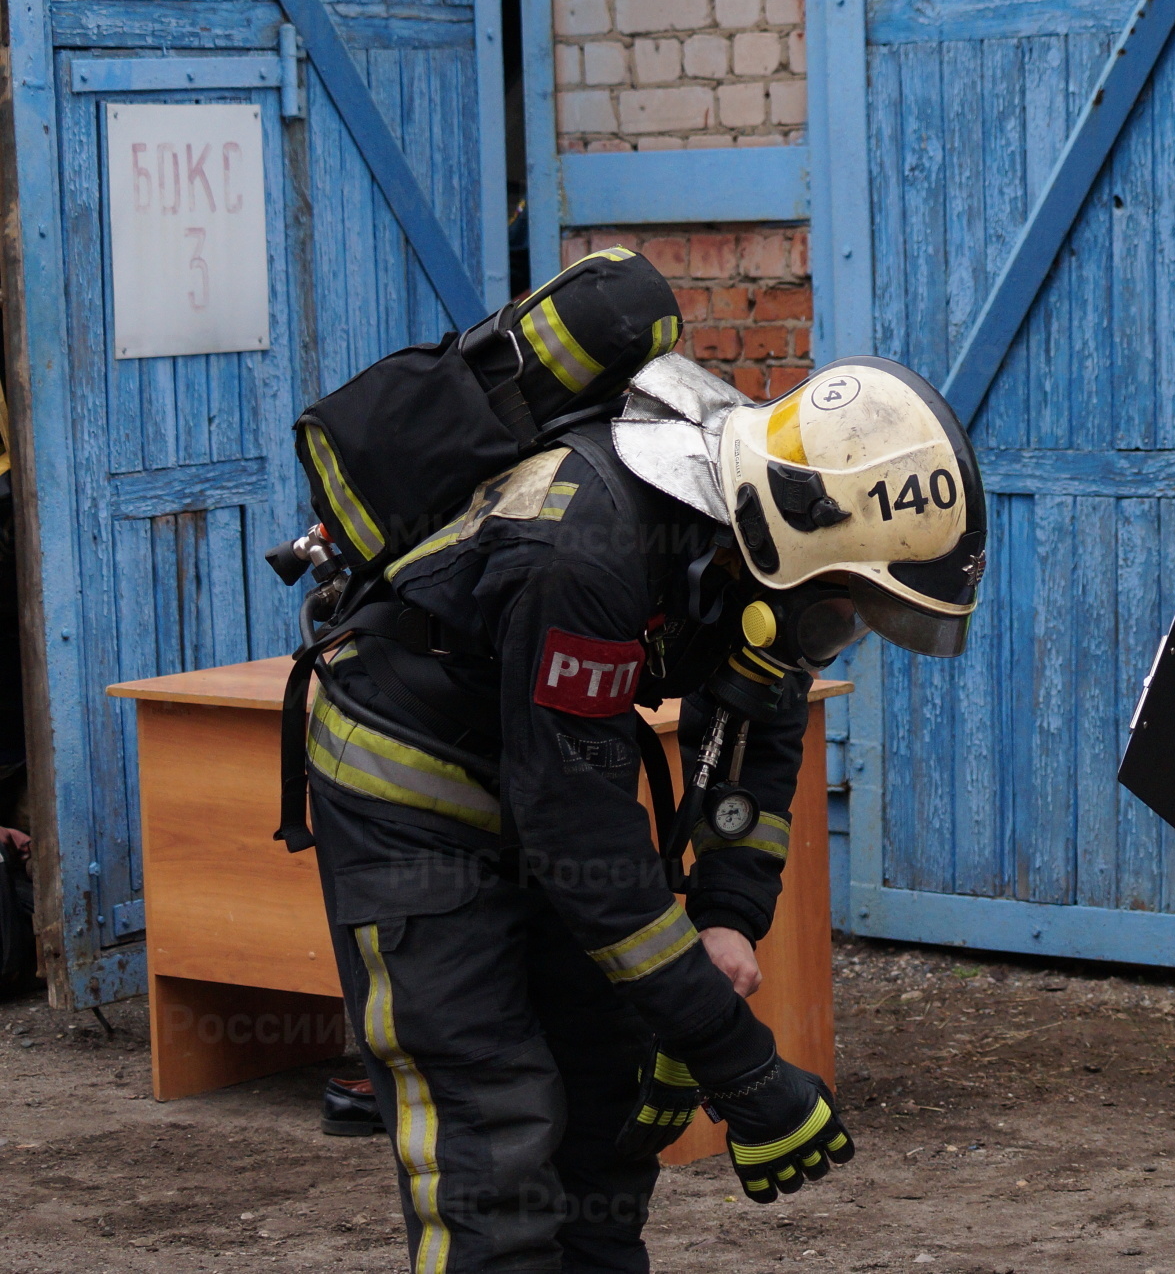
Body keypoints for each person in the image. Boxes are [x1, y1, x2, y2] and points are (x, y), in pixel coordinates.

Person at [293, 258, 986, 1273]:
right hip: (414, 797)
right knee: (493, 1131)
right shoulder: (584, 550)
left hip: (542, 776)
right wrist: (739, 1062)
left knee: (605, 1106)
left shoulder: (741, 523)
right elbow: (580, 836)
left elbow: (759, 710)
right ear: (792, 534)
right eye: (845, 605)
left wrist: (720, 924)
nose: (838, 630)